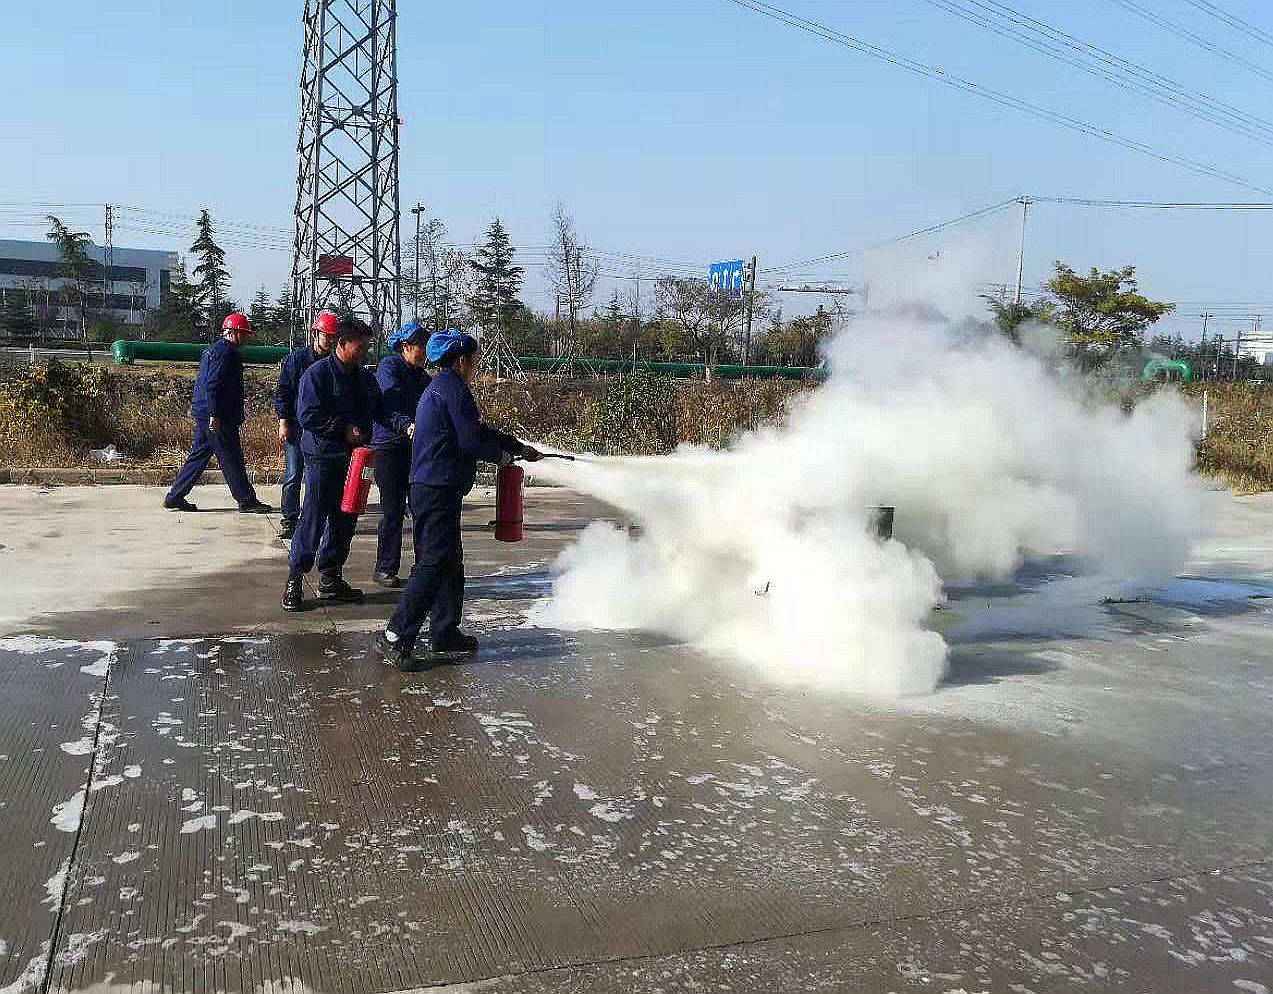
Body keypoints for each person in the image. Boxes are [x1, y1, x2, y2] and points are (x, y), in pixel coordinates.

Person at [374, 330, 542, 672]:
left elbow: (477, 430)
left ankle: (445, 631)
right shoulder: (452, 389)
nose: (476, 365)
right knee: (433, 563)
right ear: (461, 360)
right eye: (474, 359)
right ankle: (395, 634)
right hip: (435, 487)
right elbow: (470, 440)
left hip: (439, 486)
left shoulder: (444, 387)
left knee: (450, 562)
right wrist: (502, 457)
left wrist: (516, 447)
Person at [282, 315, 383, 612]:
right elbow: (307, 415)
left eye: (367, 347)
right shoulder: (317, 375)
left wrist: (407, 425)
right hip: (323, 457)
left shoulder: (365, 379)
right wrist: (342, 429)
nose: (365, 352)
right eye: (360, 347)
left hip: (354, 461)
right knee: (313, 517)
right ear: (341, 343)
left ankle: (331, 576)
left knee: (346, 518)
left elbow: (380, 410)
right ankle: (295, 577)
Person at [164, 312, 272, 514]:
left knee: (198, 456)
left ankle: (175, 496)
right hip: (218, 416)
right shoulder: (226, 353)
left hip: (205, 413)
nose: (246, 338)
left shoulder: (214, 350)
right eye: (244, 333)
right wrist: (215, 414)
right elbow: (213, 385)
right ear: (233, 333)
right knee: (232, 458)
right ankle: (246, 500)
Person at [370, 321, 431, 587]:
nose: (424, 352)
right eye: (420, 347)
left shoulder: (423, 378)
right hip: (390, 447)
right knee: (393, 511)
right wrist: (406, 424)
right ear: (405, 347)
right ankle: (385, 568)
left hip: (415, 449)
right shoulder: (389, 368)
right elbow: (387, 404)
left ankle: (424, 567)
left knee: (421, 509)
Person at [274, 310, 340, 540]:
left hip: (322, 429)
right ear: (315, 334)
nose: (330, 341)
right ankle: (289, 520)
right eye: (327, 336)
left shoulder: (335, 363)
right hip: (296, 426)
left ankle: (317, 520)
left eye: (334, 337)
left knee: (318, 478)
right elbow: (283, 392)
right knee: (293, 474)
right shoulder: (297, 360)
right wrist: (283, 421)